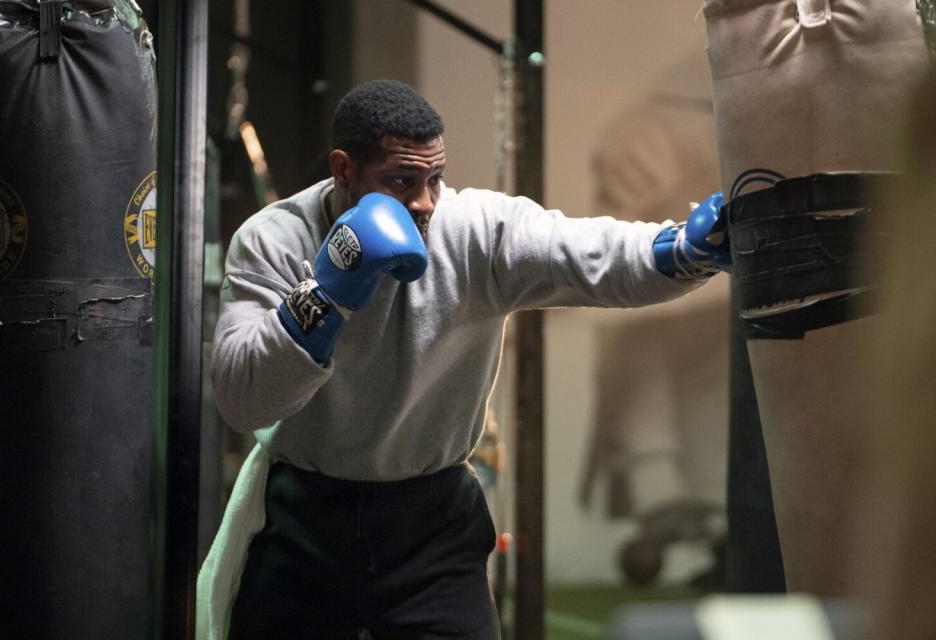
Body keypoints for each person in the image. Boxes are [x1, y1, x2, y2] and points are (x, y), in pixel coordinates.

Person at [205, 79, 729, 640]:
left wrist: (683, 252)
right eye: (402, 182)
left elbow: (585, 253)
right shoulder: (275, 240)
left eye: (434, 179)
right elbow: (243, 398)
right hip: (305, 519)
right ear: (343, 170)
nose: (425, 203)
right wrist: (325, 295)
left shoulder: (476, 230)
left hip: (430, 526)